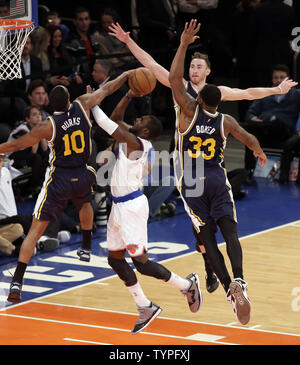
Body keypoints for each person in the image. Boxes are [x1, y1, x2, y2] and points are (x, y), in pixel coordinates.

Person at [108, 20, 297, 294]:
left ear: (207, 72)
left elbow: (247, 93)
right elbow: (149, 63)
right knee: (201, 230)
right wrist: (128, 41)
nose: (194, 70)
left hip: (204, 168)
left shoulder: (215, 94)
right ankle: (212, 269)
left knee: (203, 229)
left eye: (199, 67)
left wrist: (276, 91)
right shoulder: (180, 87)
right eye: (192, 66)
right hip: (185, 164)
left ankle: (212, 271)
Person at [0, 71, 138, 303]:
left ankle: (17, 282)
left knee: (35, 230)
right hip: (83, 174)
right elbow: (107, 88)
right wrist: (125, 75)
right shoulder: (83, 104)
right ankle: (86, 244)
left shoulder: (47, 126)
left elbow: (16, 145)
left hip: (59, 179)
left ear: (50, 105)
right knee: (85, 201)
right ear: (68, 100)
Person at [168, 19, 268, 325]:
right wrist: (259, 151)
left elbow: (174, 78)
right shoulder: (225, 121)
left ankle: (227, 289)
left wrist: (184, 43)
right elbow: (249, 138)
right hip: (216, 179)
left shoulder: (187, 112)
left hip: (192, 184)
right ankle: (240, 280)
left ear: (198, 98)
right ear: (218, 101)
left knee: (208, 242)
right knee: (231, 233)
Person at [91, 78, 202, 335]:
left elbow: (107, 123)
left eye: (140, 121)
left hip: (131, 207)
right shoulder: (133, 138)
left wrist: (92, 103)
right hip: (118, 206)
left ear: (145, 132)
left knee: (140, 262)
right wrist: (128, 94)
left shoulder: (136, 144)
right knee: (115, 260)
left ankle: (186, 285)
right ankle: (144, 306)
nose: (137, 119)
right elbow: (117, 118)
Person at [244, 64, 300, 183]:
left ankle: (265, 124)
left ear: (288, 79)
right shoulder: (265, 93)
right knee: (250, 134)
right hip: (265, 132)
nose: (278, 80)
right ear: (272, 79)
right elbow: (250, 114)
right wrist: (258, 121)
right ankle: (248, 171)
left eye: (282, 77)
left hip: (285, 133)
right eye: (276, 77)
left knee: (276, 122)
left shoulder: (296, 94)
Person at [7, 105, 49, 198]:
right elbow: (33, 151)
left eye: (39, 114)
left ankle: (38, 184)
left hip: (25, 154)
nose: (38, 116)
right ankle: (34, 187)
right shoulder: (22, 129)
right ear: (28, 119)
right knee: (36, 158)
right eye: (34, 115)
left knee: (47, 155)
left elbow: (45, 149)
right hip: (11, 156)